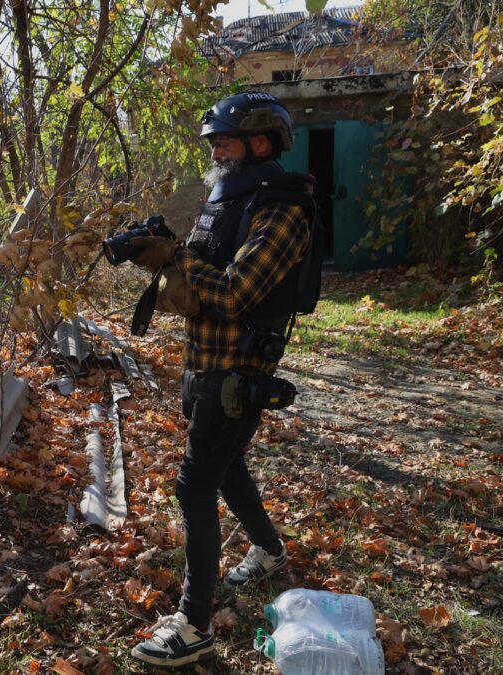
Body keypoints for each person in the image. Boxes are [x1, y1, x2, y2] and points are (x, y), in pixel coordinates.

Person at [127, 91, 315, 668]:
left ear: (261, 144)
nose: (214, 150)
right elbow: (201, 276)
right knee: (227, 466)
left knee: (194, 485)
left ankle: (195, 624)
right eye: (212, 142)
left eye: (224, 141)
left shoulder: (283, 210)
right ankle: (269, 549)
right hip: (203, 365)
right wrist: (163, 250)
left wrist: (175, 258)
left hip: (238, 374)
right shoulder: (231, 200)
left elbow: (233, 293)